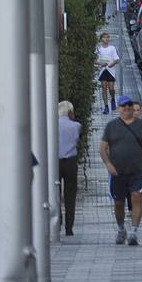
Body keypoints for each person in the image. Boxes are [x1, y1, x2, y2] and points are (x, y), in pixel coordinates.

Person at [99, 96, 142, 247]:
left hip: (137, 170)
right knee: (119, 203)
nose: (126, 108)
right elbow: (102, 147)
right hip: (117, 172)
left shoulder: (141, 126)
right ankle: (121, 229)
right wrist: (108, 164)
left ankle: (133, 232)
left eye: (129, 105)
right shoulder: (111, 126)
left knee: (136, 198)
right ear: (118, 109)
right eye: (123, 106)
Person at [58, 101, 82, 237]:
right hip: (70, 162)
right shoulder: (76, 126)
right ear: (70, 112)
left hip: (55, 162)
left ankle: (57, 221)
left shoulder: (52, 124)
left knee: (55, 193)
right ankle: (69, 227)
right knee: (70, 195)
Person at [95, 33, 120, 114]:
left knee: (111, 88)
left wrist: (111, 64)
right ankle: (106, 107)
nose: (106, 39)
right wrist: (100, 64)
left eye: (107, 37)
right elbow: (95, 60)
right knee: (104, 88)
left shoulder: (112, 48)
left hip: (111, 70)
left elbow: (116, 59)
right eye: (104, 37)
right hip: (103, 70)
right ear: (101, 39)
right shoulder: (98, 49)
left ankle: (112, 99)